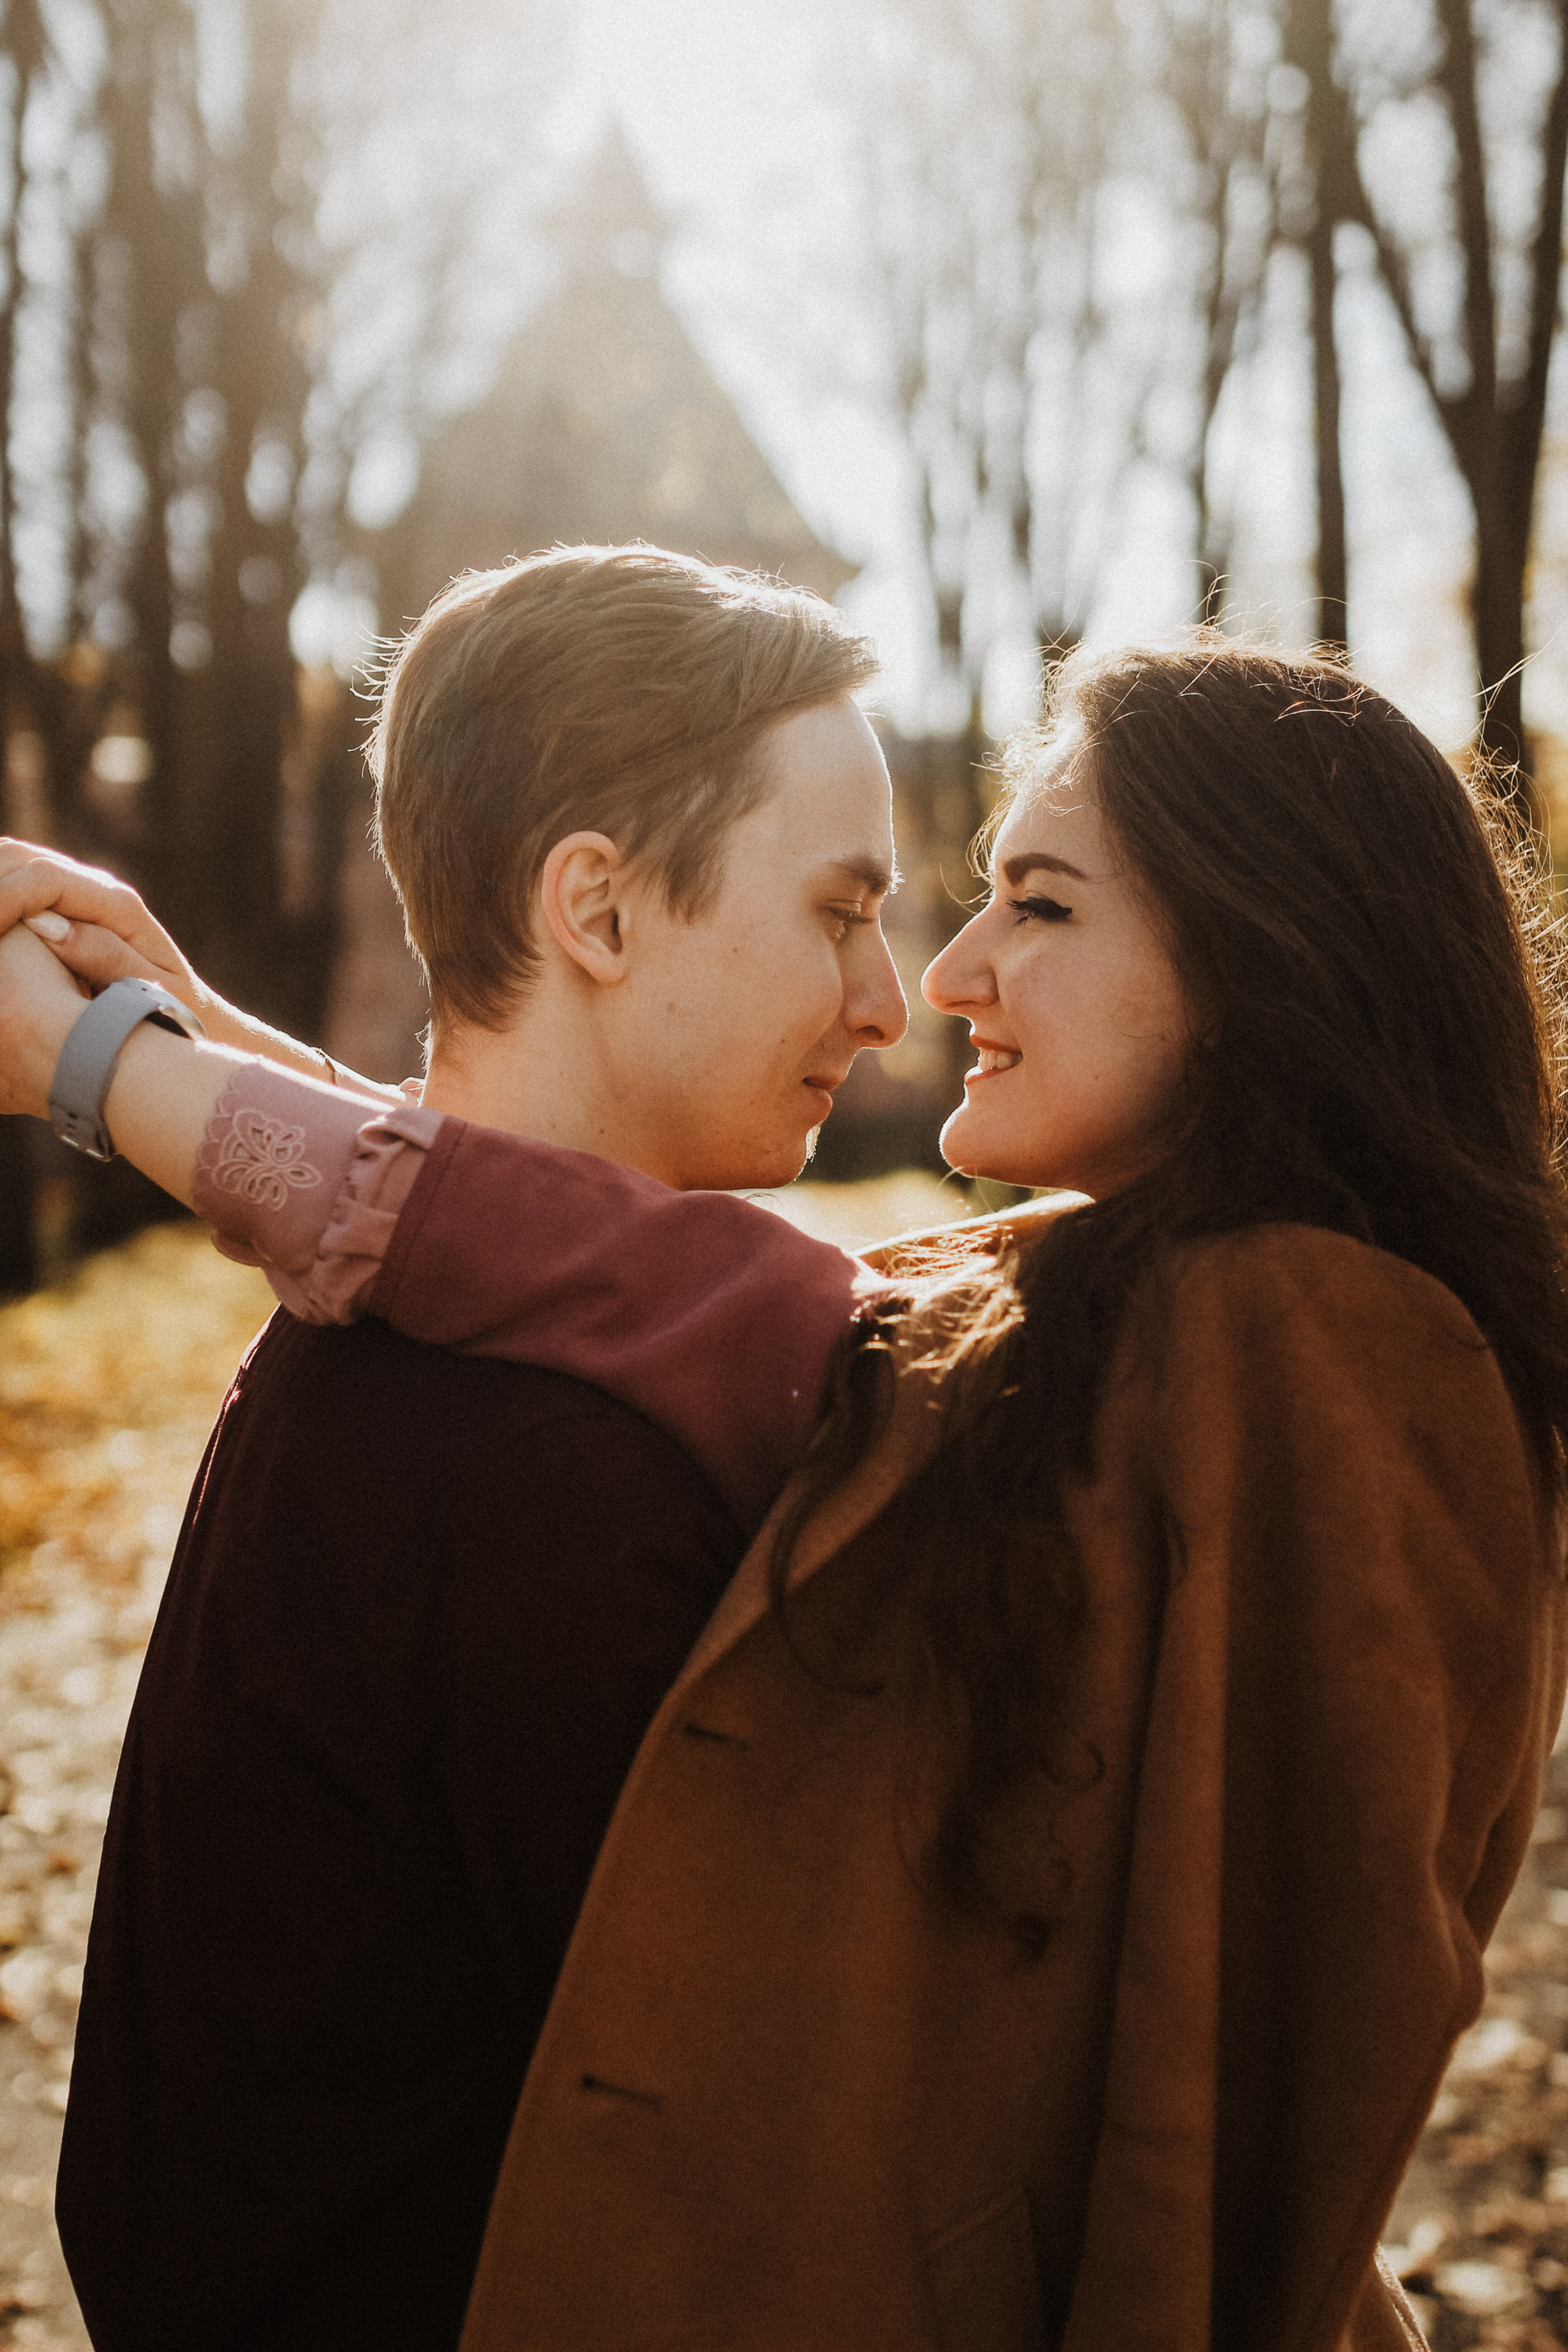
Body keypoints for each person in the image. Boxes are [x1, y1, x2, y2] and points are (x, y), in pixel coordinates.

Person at [3, 635, 1566, 2348]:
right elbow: (611, 1275)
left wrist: (126, 1066)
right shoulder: (1158, 1302)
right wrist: (196, 1049)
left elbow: (1215, 2144)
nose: (942, 974)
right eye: (883, 907)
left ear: (1270, 951)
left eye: (1039, 907)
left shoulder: (1335, 1363)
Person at [0, 541, 912, 2352]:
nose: (888, 1000)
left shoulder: (404, 1347)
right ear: (597, 908)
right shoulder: (558, 1475)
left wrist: (176, 1054)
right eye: (838, 912)